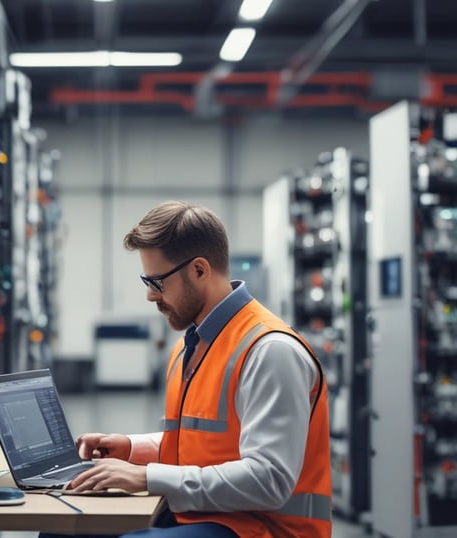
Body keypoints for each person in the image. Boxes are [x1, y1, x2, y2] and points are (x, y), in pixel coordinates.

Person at [42, 201, 331, 538]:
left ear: (199, 270)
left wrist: (147, 477)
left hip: (265, 528)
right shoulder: (191, 345)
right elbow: (201, 444)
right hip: (207, 513)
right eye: (146, 281)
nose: (150, 296)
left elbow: (268, 480)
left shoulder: (269, 351)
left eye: (157, 282)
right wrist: (131, 448)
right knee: (60, 530)